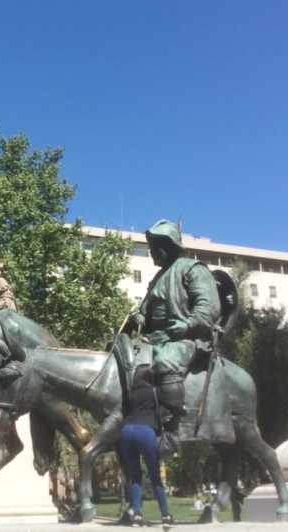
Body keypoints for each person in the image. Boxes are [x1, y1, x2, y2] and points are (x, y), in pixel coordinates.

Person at [126, 219, 220, 436]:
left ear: (166, 246)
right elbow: (146, 309)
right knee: (124, 363)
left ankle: (171, 426)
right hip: (152, 339)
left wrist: (188, 324)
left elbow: (209, 306)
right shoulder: (157, 278)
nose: (151, 253)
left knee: (165, 361)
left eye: (153, 248)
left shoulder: (192, 269)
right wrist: (139, 317)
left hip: (184, 339)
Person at [119, 365, 173, 527]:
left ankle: (136, 514)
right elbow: (166, 410)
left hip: (126, 431)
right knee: (155, 476)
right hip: (145, 431)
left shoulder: (129, 393)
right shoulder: (155, 391)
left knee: (135, 475)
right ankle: (165, 515)